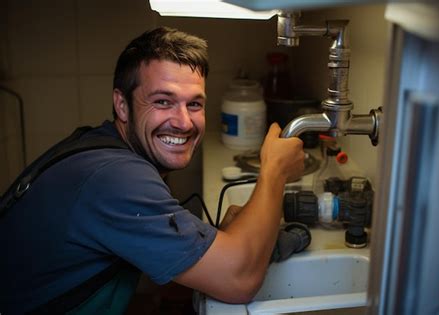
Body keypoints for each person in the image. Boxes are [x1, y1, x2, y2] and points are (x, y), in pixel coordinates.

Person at [0, 26, 305, 314]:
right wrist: (274, 171)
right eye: (163, 101)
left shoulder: (101, 146)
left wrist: (220, 241)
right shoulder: (116, 178)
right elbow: (239, 282)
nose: (183, 122)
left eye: (195, 105)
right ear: (122, 105)